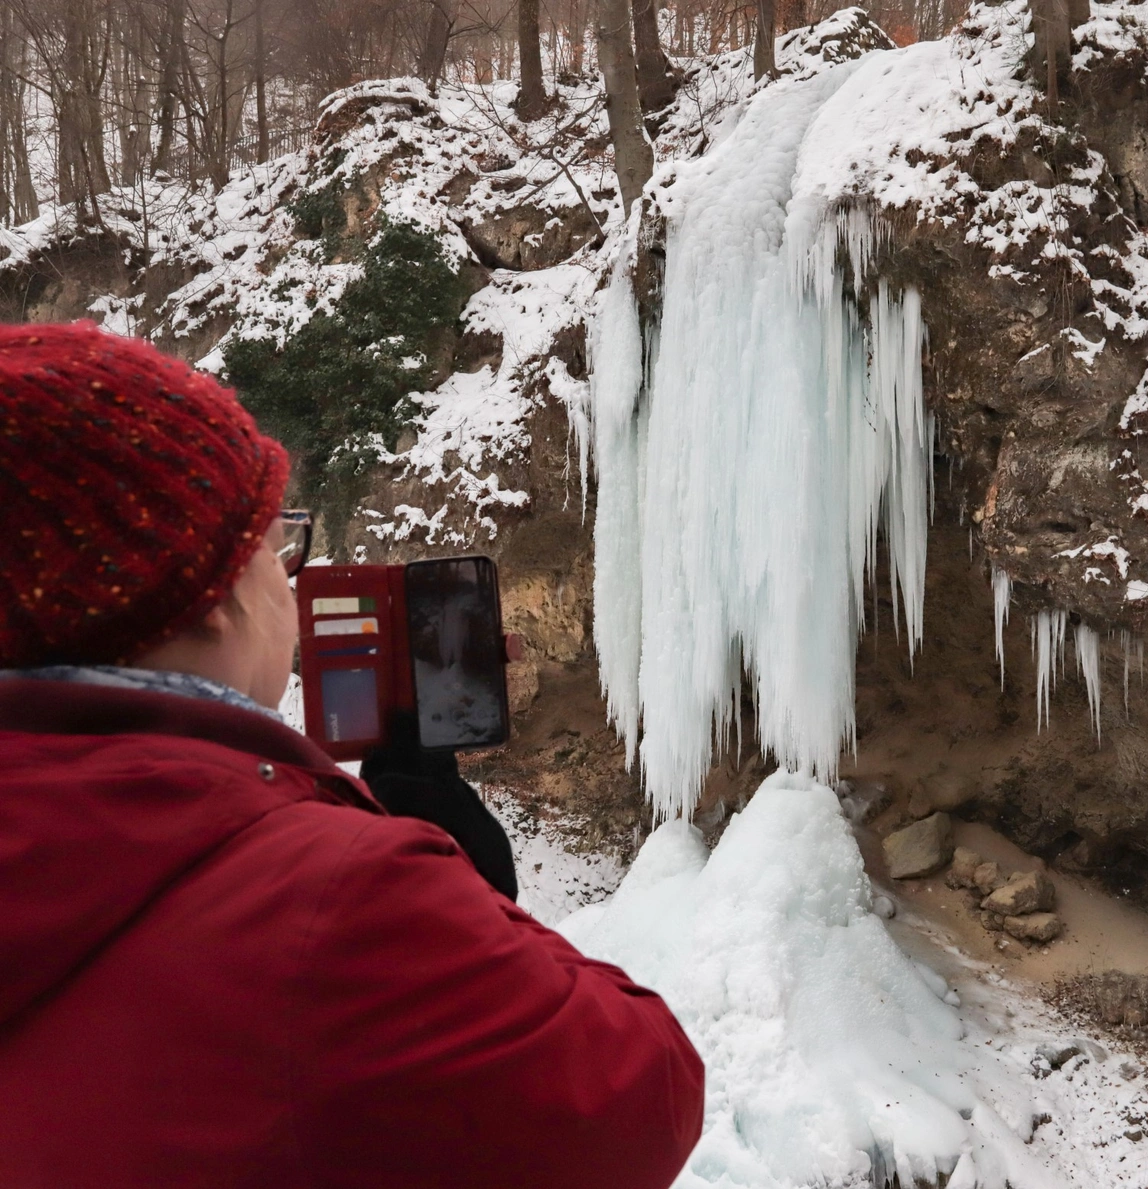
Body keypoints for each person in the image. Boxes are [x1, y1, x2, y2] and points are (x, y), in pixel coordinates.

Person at [0, 321, 705, 1188]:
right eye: (273, 545)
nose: (289, 580)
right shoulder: (338, 903)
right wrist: (452, 883)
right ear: (210, 596)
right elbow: (642, 1098)